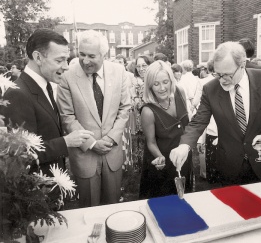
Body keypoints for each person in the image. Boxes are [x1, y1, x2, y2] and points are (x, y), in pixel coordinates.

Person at [170, 41, 261, 186]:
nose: (222, 80)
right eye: (218, 74)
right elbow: (199, 121)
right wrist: (184, 145)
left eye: (227, 75)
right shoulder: (210, 89)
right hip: (229, 166)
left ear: (242, 65)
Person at [2, 29, 93, 177]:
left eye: (66, 59)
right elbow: (21, 154)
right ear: (38, 58)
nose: (66, 66)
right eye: (59, 60)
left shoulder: (46, 85)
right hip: (36, 189)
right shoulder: (17, 94)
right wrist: (66, 142)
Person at [57, 30, 131, 207]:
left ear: (103, 54)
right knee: (89, 209)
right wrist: (92, 144)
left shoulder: (119, 72)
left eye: (91, 56)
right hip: (85, 157)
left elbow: (124, 108)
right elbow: (67, 117)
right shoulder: (67, 77)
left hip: (111, 152)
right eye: (81, 54)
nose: (85, 60)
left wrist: (111, 138)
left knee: (112, 206)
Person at [139, 60, 192, 199]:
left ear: (171, 81)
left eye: (165, 82)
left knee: (186, 200)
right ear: (150, 86)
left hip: (183, 156)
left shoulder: (180, 93)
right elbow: (150, 142)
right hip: (163, 164)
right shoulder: (148, 111)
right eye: (156, 84)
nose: (162, 88)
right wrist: (160, 157)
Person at [131, 55, 153, 171]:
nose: (141, 68)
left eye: (144, 65)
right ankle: (140, 167)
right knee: (139, 142)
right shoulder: (135, 83)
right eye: (138, 66)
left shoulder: (153, 82)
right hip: (138, 120)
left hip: (151, 121)